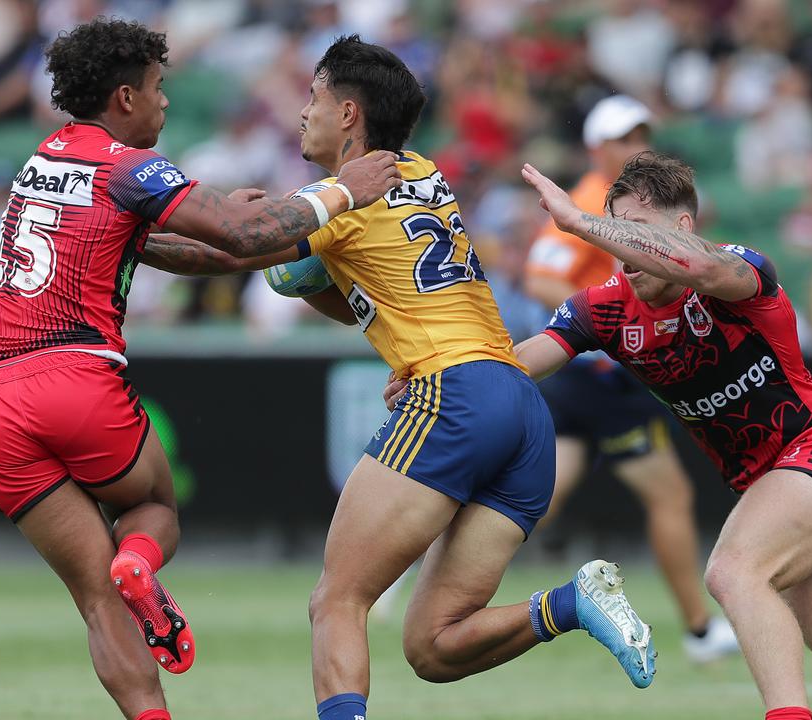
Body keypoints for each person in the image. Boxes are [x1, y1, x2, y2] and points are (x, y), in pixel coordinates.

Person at [144, 35, 658, 720]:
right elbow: (374, 287)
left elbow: (217, 253)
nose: (303, 113)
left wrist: (117, 234)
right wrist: (307, 279)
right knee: (433, 647)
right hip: (519, 404)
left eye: (314, 97)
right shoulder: (421, 172)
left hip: (456, 396)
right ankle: (569, 604)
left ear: (349, 112)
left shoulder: (339, 197)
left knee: (336, 600)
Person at [421, 151, 812, 720]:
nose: (619, 245)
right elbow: (526, 360)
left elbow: (707, 267)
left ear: (682, 226)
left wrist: (582, 222)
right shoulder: (607, 306)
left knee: (734, 571)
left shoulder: (735, 271)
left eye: (634, 228)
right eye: (614, 229)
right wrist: (440, 376)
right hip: (778, 487)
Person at [0, 19, 400, 720]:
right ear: (125, 98)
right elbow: (237, 235)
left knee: (94, 598)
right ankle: (139, 558)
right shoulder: (128, 166)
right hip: (73, 374)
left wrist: (256, 225)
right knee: (153, 510)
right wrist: (340, 192)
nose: (167, 103)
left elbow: (194, 249)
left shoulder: (42, 160)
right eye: (159, 89)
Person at [524, 94, 737, 662]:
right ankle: (698, 630)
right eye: (622, 138)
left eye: (641, 133)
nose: (635, 145)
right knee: (669, 494)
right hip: (601, 374)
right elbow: (541, 277)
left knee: (539, 499)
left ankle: (432, 539)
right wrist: (601, 328)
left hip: (589, 373)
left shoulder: (623, 200)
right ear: (597, 148)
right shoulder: (595, 199)